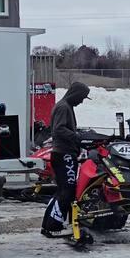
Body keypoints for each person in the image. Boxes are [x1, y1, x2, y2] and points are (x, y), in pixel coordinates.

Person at [41, 82, 91, 235]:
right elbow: (59, 129)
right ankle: (53, 226)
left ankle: (51, 223)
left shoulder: (65, 106)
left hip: (65, 154)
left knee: (63, 190)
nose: (81, 101)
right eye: (81, 98)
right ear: (74, 94)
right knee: (67, 191)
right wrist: (77, 137)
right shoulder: (63, 107)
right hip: (64, 154)